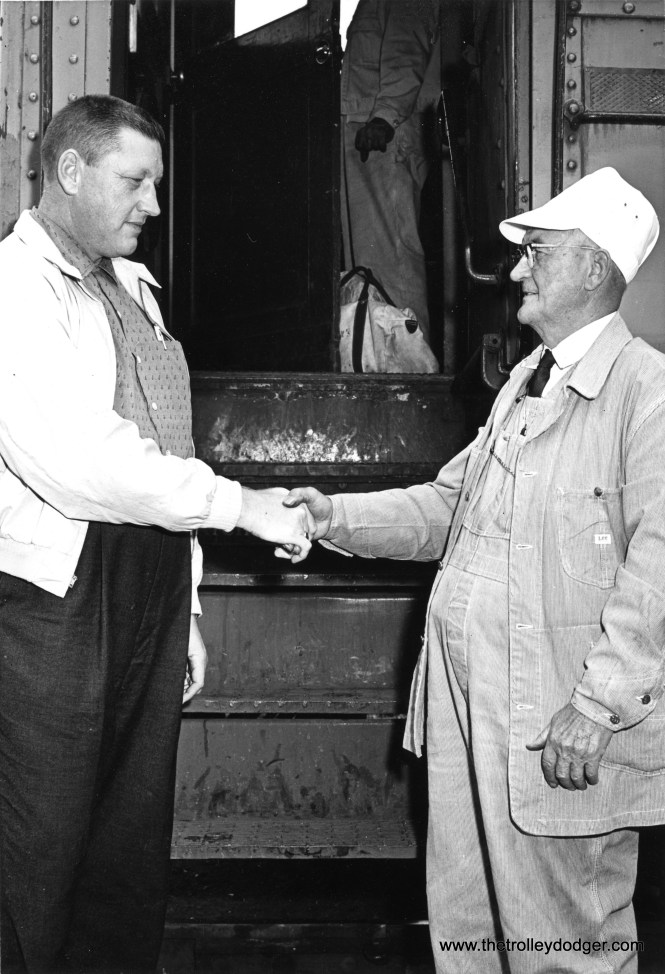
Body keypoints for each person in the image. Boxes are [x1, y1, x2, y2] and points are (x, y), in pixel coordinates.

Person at [286, 168, 663, 973]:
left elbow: (660, 563)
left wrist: (597, 706)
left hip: (554, 722)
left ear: (594, 268)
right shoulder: (527, 384)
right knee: (470, 934)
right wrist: (331, 517)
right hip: (469, 713)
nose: (517, 270)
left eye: (538, 253)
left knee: (564, 945)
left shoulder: (647, 392)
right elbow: (442, 508)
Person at [0, 94, 310, 974]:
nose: (155, 206)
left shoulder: (128, 286)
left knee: (126, 844)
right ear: (69, 172)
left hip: (148, 576)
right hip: (54, 594)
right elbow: (79, 461)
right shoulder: (13, 291)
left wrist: (191, 604)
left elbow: (164, 442)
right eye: (136, 181)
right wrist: (242, 507)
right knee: (37, 845)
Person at [341, 0, 440, 339]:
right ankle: (382, 359)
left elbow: (406, 50)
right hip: (368, 130)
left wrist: (385, 116)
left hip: (382, 133)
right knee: (371, 266)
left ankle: (410, 367)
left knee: (394, 262)